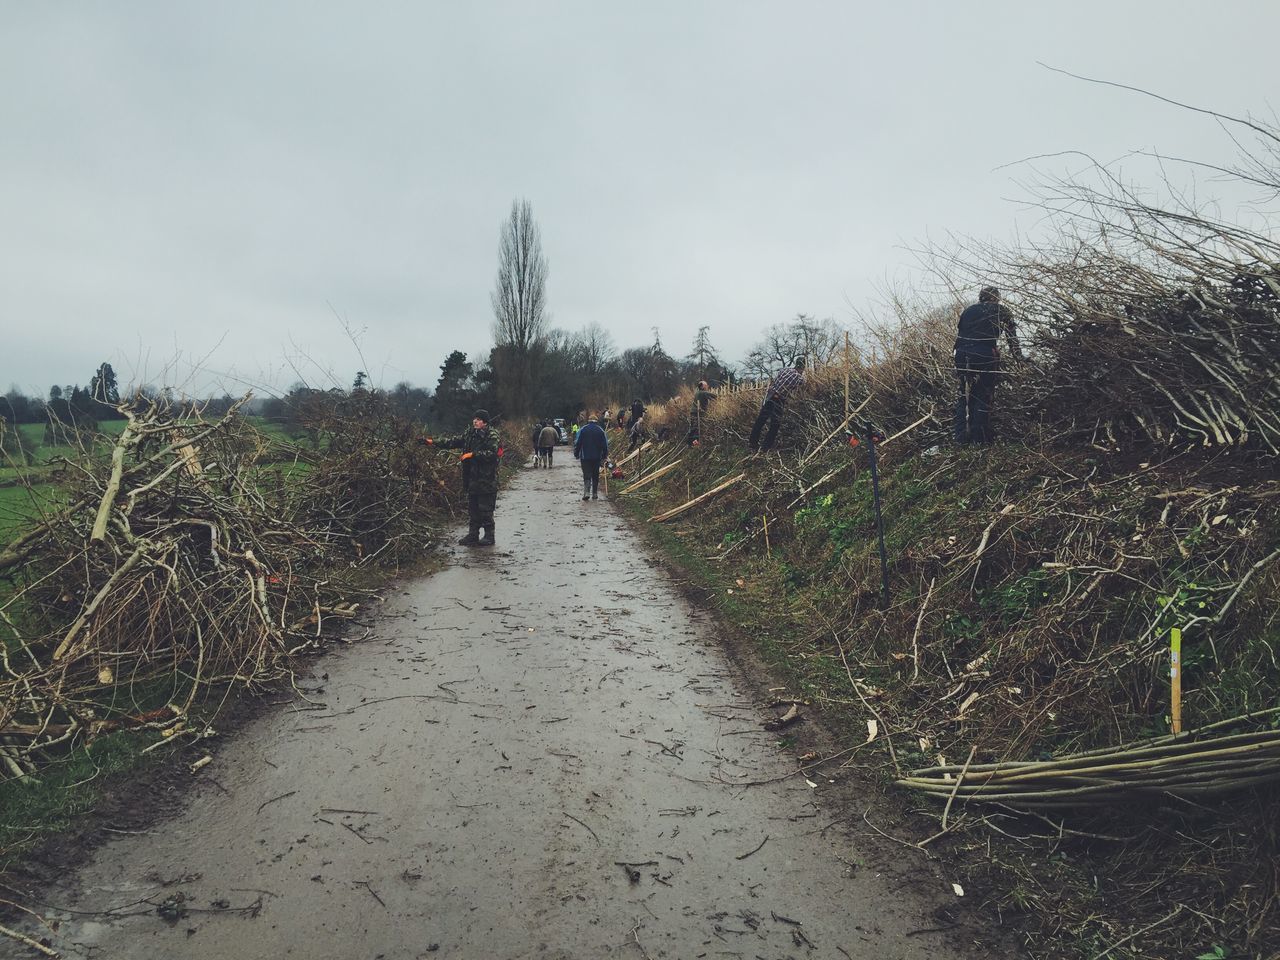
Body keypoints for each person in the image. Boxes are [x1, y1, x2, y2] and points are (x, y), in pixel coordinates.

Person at [954, 286, 1021, 444]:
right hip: (984, 353)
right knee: (984, 393)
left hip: (962, 354)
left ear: (980, 298)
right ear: (996, 298)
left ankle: (961, 439)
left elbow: (961, 334)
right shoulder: (1001, 310)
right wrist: (1018, 357)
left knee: (965, 395)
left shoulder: (968, 311)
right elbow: (1012, 336)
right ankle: (979, 439)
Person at [426, 409, 502, 546]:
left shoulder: (492, 435)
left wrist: (473, 454)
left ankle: (489, 536)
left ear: (485, 422)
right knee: (473, 509)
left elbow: (492, 454)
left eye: (478, 419)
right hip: (471, 478)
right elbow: (453, 442)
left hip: (487, 479)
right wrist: (432, 442)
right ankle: (473, 535)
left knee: (485, 509)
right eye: (474, 419)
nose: (475, 421)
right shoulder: (470, 433)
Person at [748, 357, 806, 452]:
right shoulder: (800, 378)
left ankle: (752, 443)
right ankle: (765, 447)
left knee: (761, 420)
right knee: (775, 424)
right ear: (803, 367)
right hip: (779, 400)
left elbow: (776, 381)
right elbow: (800, 389)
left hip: (770, 395)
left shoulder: (785, 369)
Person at [573, 414, 609, 501]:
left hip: (585, 456)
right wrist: (604, 455)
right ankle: (595, 494)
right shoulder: (600, 430)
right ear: (596, 421)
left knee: (587, 474)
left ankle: (587, 492)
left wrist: (576, 453)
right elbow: (605, 445)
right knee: (595, 474)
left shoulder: (583, 429)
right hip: (597, 457)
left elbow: (578, 443)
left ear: (588, 420)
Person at [687, 380, 715, 445]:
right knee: (697, 427)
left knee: (693, 427)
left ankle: (690, 443)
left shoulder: (698, 392)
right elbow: (715, 396)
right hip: (697, 412)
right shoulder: (703, 393)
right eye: (706, 385)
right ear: (702, 387)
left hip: (693, 412)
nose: (707, 386)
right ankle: (695, 443)